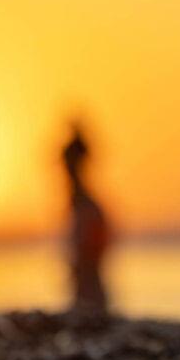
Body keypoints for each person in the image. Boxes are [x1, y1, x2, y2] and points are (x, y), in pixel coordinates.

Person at [62, 122, 111, 313]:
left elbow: (95, 242)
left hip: (89, 271)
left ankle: (93, 311)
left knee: (89, 294)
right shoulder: (82, 204)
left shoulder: (87, 206)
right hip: (86, 270)